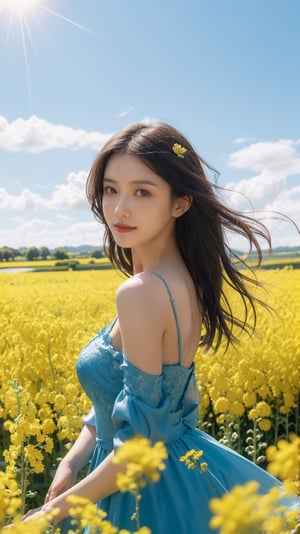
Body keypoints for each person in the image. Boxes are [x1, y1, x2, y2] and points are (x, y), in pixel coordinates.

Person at [23, 122, 298, 533]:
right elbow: (135, 397)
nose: (119, 209)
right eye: (111, 189)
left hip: (141, 485)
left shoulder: (141, 292)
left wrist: (48, 514)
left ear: (180, 204)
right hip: (176, 468)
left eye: (142, 192)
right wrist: (70, 460)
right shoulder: (182, 278)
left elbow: (137, 446)